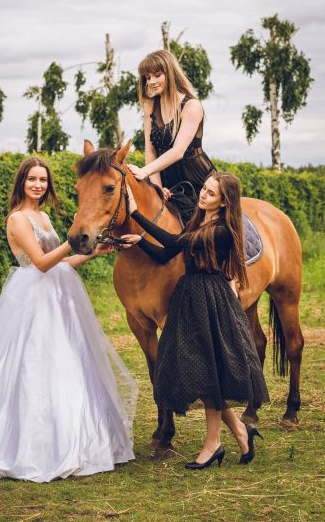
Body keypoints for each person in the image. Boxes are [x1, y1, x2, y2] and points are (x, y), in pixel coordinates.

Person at [0, 157, 137, 482]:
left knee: (69, 362)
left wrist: (91, 254)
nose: (38, 185)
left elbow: (59, 265)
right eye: (32, 179)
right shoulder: (17, 219)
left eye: (43, 180)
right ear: (22, 183)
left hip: (58, 295)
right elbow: (41, 264)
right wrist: (73, 241)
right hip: (34, 299)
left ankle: (77, 439)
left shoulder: (43, 216)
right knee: (34, 363)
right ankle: (32, 446)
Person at [121, 171, 269, 469]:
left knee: (208, 373)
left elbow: (174, 239)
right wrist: (139, 241)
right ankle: (240, 431)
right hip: (191, 297)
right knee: (203, 372)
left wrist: (136, 214)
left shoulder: (221, 229)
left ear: (224, 202)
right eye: (204, 188)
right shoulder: (198, 221)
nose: (203, 194)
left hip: (210, 299)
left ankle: (213, 444)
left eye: (211, 193)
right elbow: (167, 253)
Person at [127, 49, 216, 224]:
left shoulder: (191, 106)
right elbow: (150, 150)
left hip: (195, 179)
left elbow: (178, 151)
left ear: (170, 73)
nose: (151, 81)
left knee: (203, 233)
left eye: (157, 75)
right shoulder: (150, 106)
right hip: (166, 179)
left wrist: (144, 171)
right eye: (147, 77)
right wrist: (157, 188)